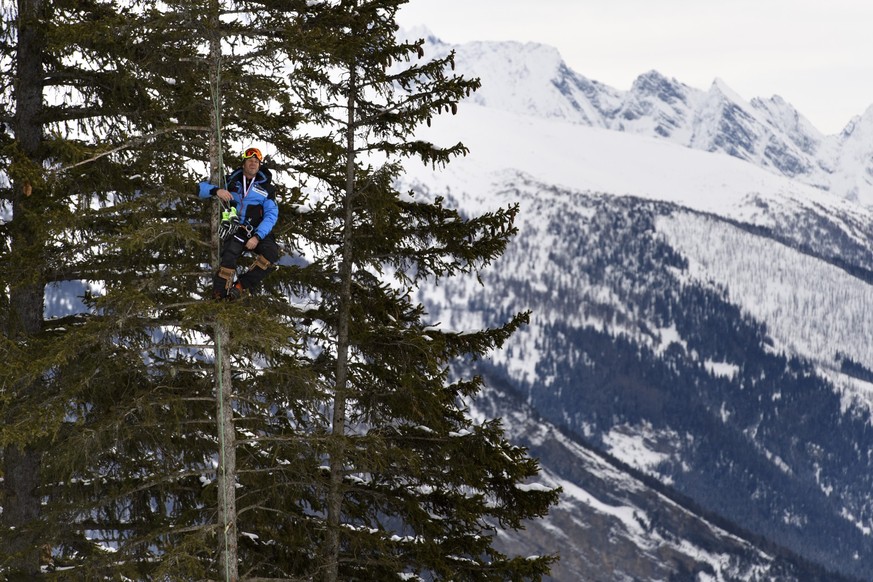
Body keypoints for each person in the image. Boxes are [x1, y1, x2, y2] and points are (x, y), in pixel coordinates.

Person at [199, 147, 280, 300]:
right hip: (237, 228)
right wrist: (217, 191)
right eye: (250, 160)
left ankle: (240, 286)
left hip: (258, 230)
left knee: (271, 254)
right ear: (244, 163)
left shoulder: (267, 188)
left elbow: (271, 215)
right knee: (229, 254)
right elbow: (201, 188)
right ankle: (219, 294)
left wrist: (256, 237)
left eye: (256, 161)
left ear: (259, 165)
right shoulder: (231, 180)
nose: (253, 163)